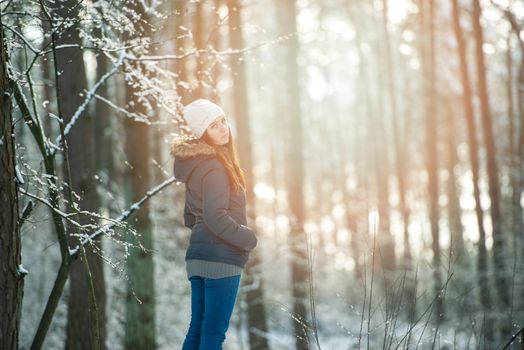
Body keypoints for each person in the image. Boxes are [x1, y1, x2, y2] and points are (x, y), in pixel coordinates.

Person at [171, 99, 258, 349]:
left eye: (222, 121)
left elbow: (191, 218)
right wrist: (248, 238)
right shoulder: (216, 167)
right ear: (203, 134)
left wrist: (206, 239)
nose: (222, 129)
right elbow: (214, 216)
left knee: (197, 330)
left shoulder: (197, 167)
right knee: (213, 334)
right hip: (221, 259)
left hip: (198, 257)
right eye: (213, 126)